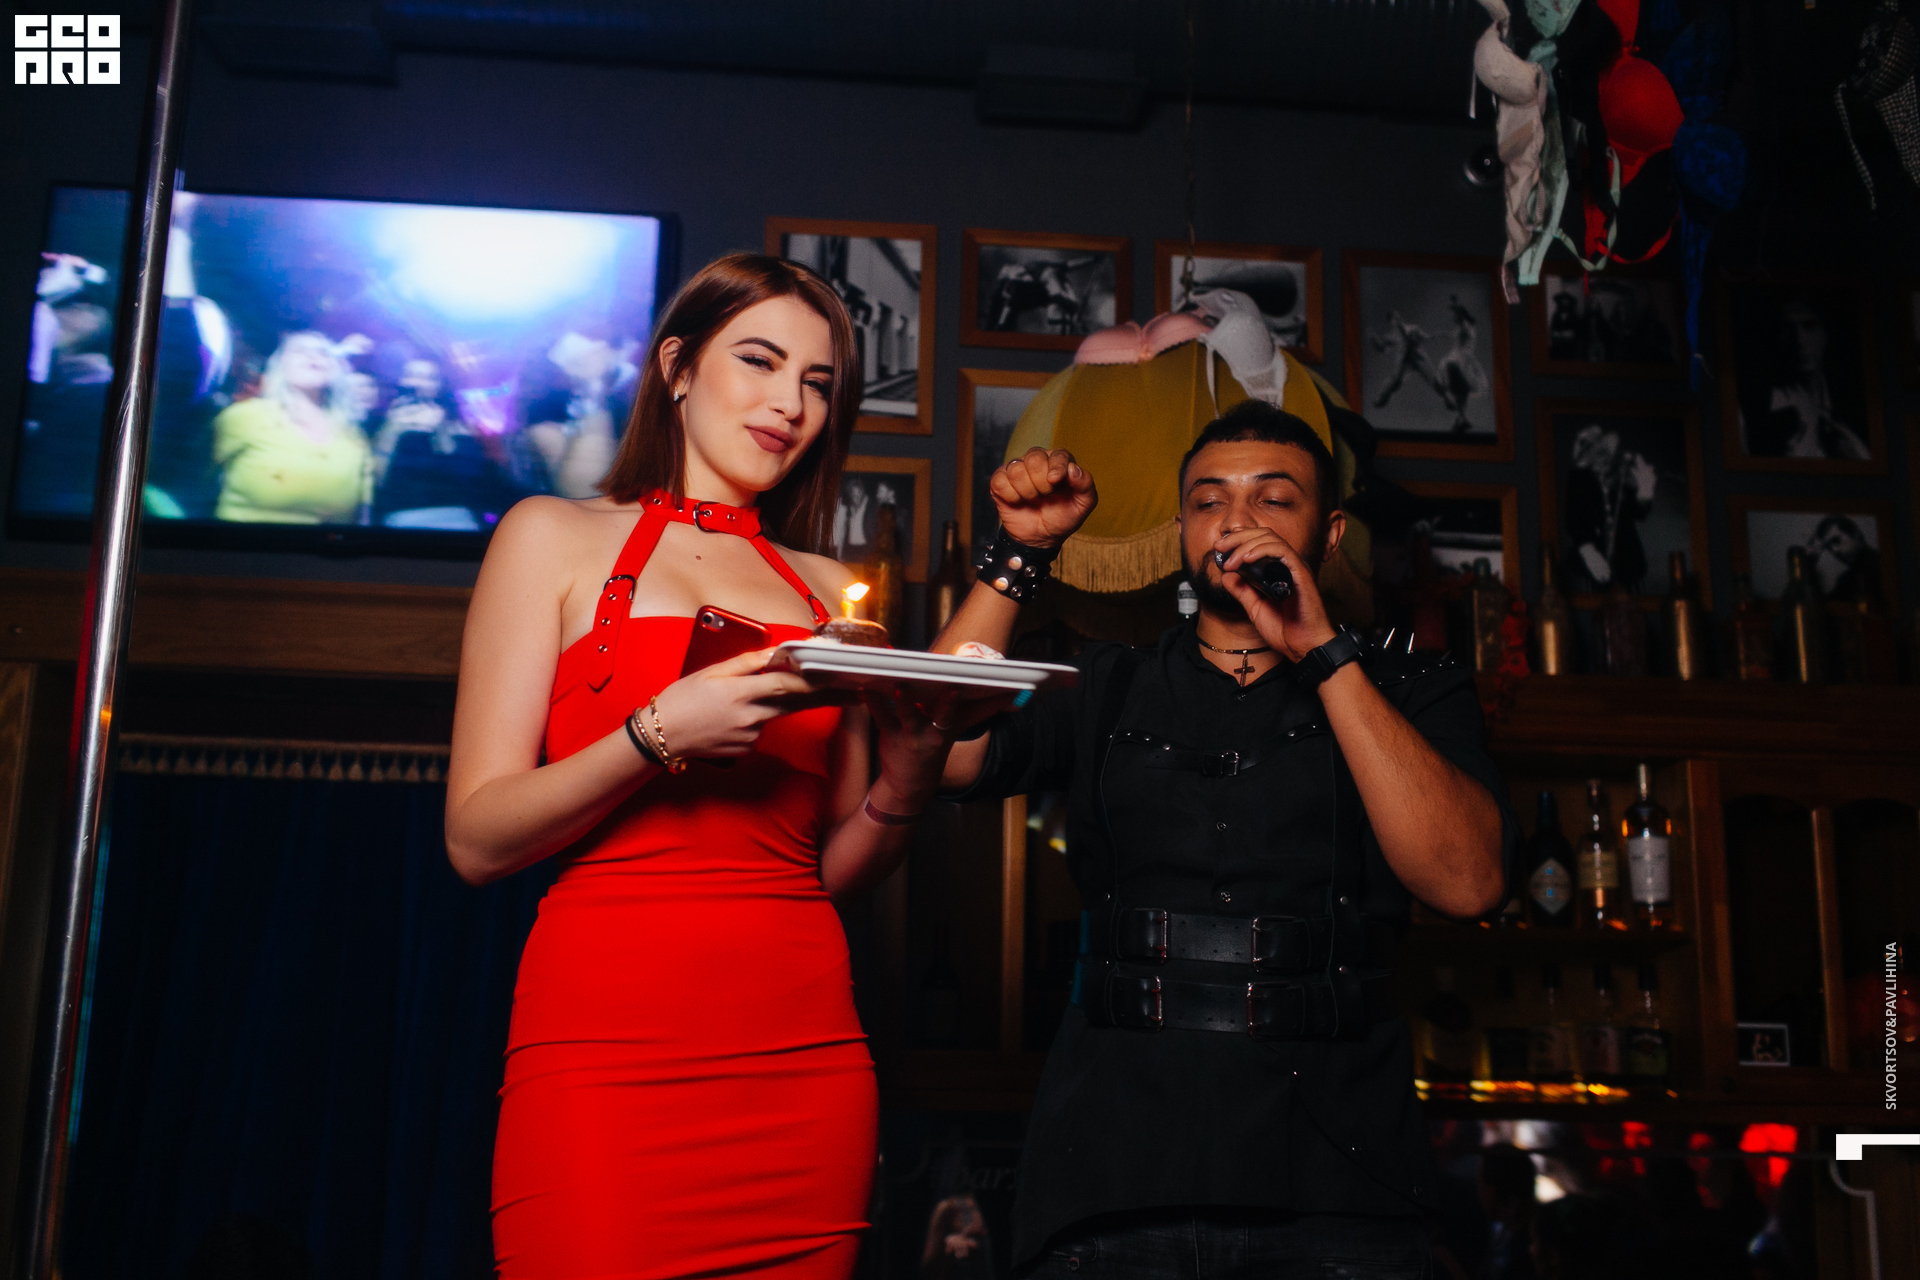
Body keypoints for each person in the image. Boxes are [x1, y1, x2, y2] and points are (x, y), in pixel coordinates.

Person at [447, 253, 982, 1280]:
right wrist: (654, 735)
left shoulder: (828, 591)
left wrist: (908, 781)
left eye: (818, 383)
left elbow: (827, 871)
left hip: (802, 1063)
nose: (791, 404)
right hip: (603, 1055)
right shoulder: (549, 536)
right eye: (761, 361)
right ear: (678, 366)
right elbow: (475, 838)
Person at [934, 398, 1516, 1278]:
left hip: (1340, 1183)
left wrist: (1323, 654)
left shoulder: (1411, 685)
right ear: (1182, 531)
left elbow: (1468, 884)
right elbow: (939, 749)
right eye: (1209, 501)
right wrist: (1020, 553)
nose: (1236, 520)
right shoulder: (1105, 682)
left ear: (1329, 534)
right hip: (1112, 1174)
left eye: (1273, 499)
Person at [210, 331, 373, 524]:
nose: (313, 357)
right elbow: (195, 481)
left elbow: (363, 512)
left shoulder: (352, 435)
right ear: (281, 365)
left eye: (323, 353)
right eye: (300, 351)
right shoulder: (245, 417)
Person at [1741, 300, 1870, 460]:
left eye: (1809, 326)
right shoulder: (1753, 408)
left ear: (1825, 333)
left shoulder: (1854, 403)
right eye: (1787, 329)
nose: (1799, 340)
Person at [1563, 424, 1655, 593]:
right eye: (1596, 452)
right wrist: (1588, 551)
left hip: (1628, 569)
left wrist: (1645, 492)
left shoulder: (1620, 483)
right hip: (1592, 572)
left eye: (1606, 452)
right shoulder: (1579, 483)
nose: (1603, 457)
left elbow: (1638, 513)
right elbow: (1575, 520)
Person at [1808, 513, 1881, 603]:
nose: (1834, 550)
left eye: (1836, 540)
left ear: (1854, 533)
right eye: (1828, 547)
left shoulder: (1882, 567)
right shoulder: (1846, 581)